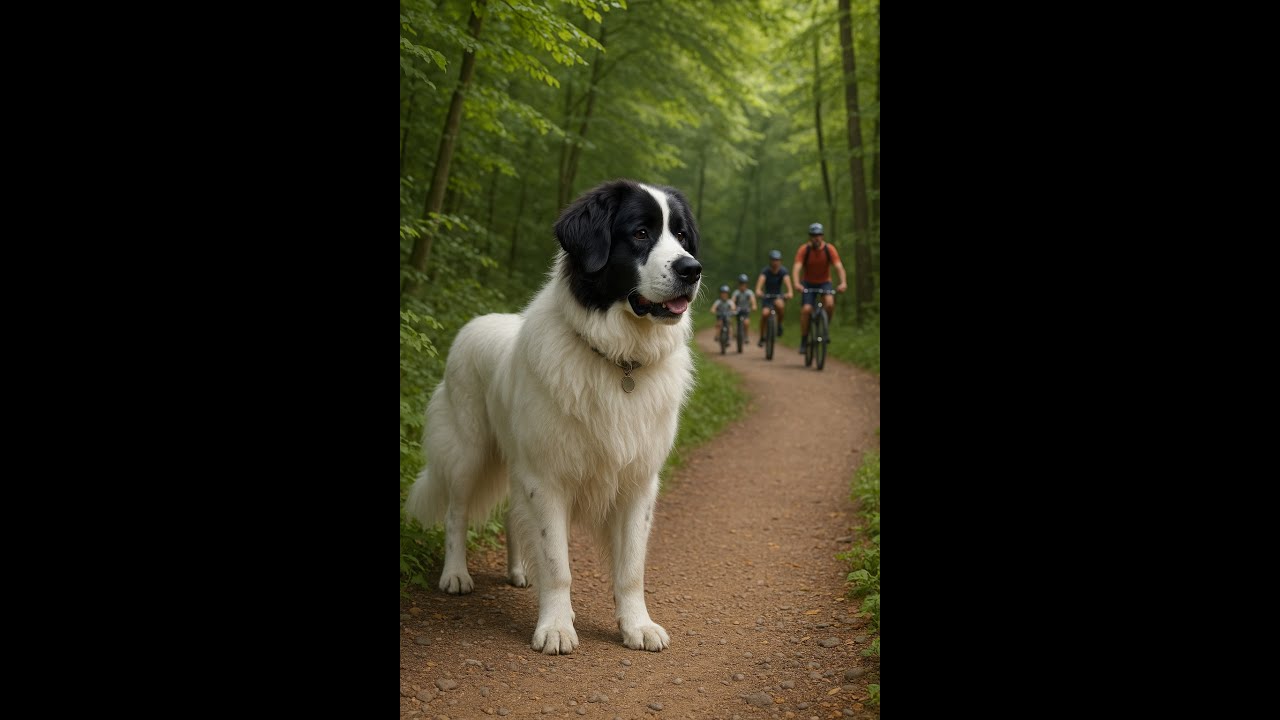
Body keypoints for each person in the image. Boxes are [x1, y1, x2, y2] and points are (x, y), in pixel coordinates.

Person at [792, 222, 848, 354]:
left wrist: (843, 282)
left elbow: (839, 267)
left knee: (829, 303)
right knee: (806, 310)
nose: (816, 238)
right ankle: (804, 340)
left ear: (822, 236)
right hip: (808, 283)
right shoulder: (804, 250)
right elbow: (797, 267)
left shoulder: (830, 249)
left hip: (824, 282)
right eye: (813, 235)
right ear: (810, 237)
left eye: (818, 235)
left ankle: (825, 328)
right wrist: (796, 283)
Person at [755, 249, 794, 347]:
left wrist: (789, 292)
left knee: (780, 306)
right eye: (773, 260)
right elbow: (760, 284)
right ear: (770, 261)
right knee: (764, 314)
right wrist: (759, 291)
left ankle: (779, 324)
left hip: (778, 295)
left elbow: (787, 282)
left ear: (780, 261)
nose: (775, 262)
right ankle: (762, 337)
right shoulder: (766, 271)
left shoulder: (783, 271)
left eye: (777, 260)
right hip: (767, 296)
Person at [731, 274, 757, 345]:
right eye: (741, 284)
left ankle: (746, 336)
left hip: (746, 310)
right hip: (738, 310)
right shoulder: (736, 292)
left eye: (744, 284)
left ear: (746, 284)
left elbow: (752, 300)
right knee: (733, 321)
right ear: (739, 284)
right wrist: (733, 307)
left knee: (746, 323)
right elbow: (733, 300)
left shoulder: (749, 292)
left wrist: (754, 305)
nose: (742, 285)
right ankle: (734, 333)